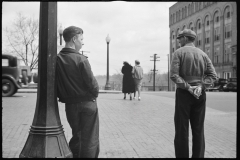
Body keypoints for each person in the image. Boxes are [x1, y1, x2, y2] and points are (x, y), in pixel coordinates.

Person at [170, 29, 217, 158]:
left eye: (180, 38)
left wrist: (188, 87)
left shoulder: (178, 53)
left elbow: (174, 75)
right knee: (198, 129)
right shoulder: (203, 54)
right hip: (200, 95)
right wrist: (201, 86)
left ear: (185, 38)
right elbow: (213, 75)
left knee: (181, 129)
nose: (178, 40)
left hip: (184, 94)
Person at [55, 26, 99, 158]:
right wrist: (94, 95)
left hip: (70, 106)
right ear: (74, 39)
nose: (82, 42)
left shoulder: (57, 59)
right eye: (81, 39)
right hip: (87, 104)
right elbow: (93, 85)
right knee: (90, 139)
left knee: (77, 135)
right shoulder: (81, 59)